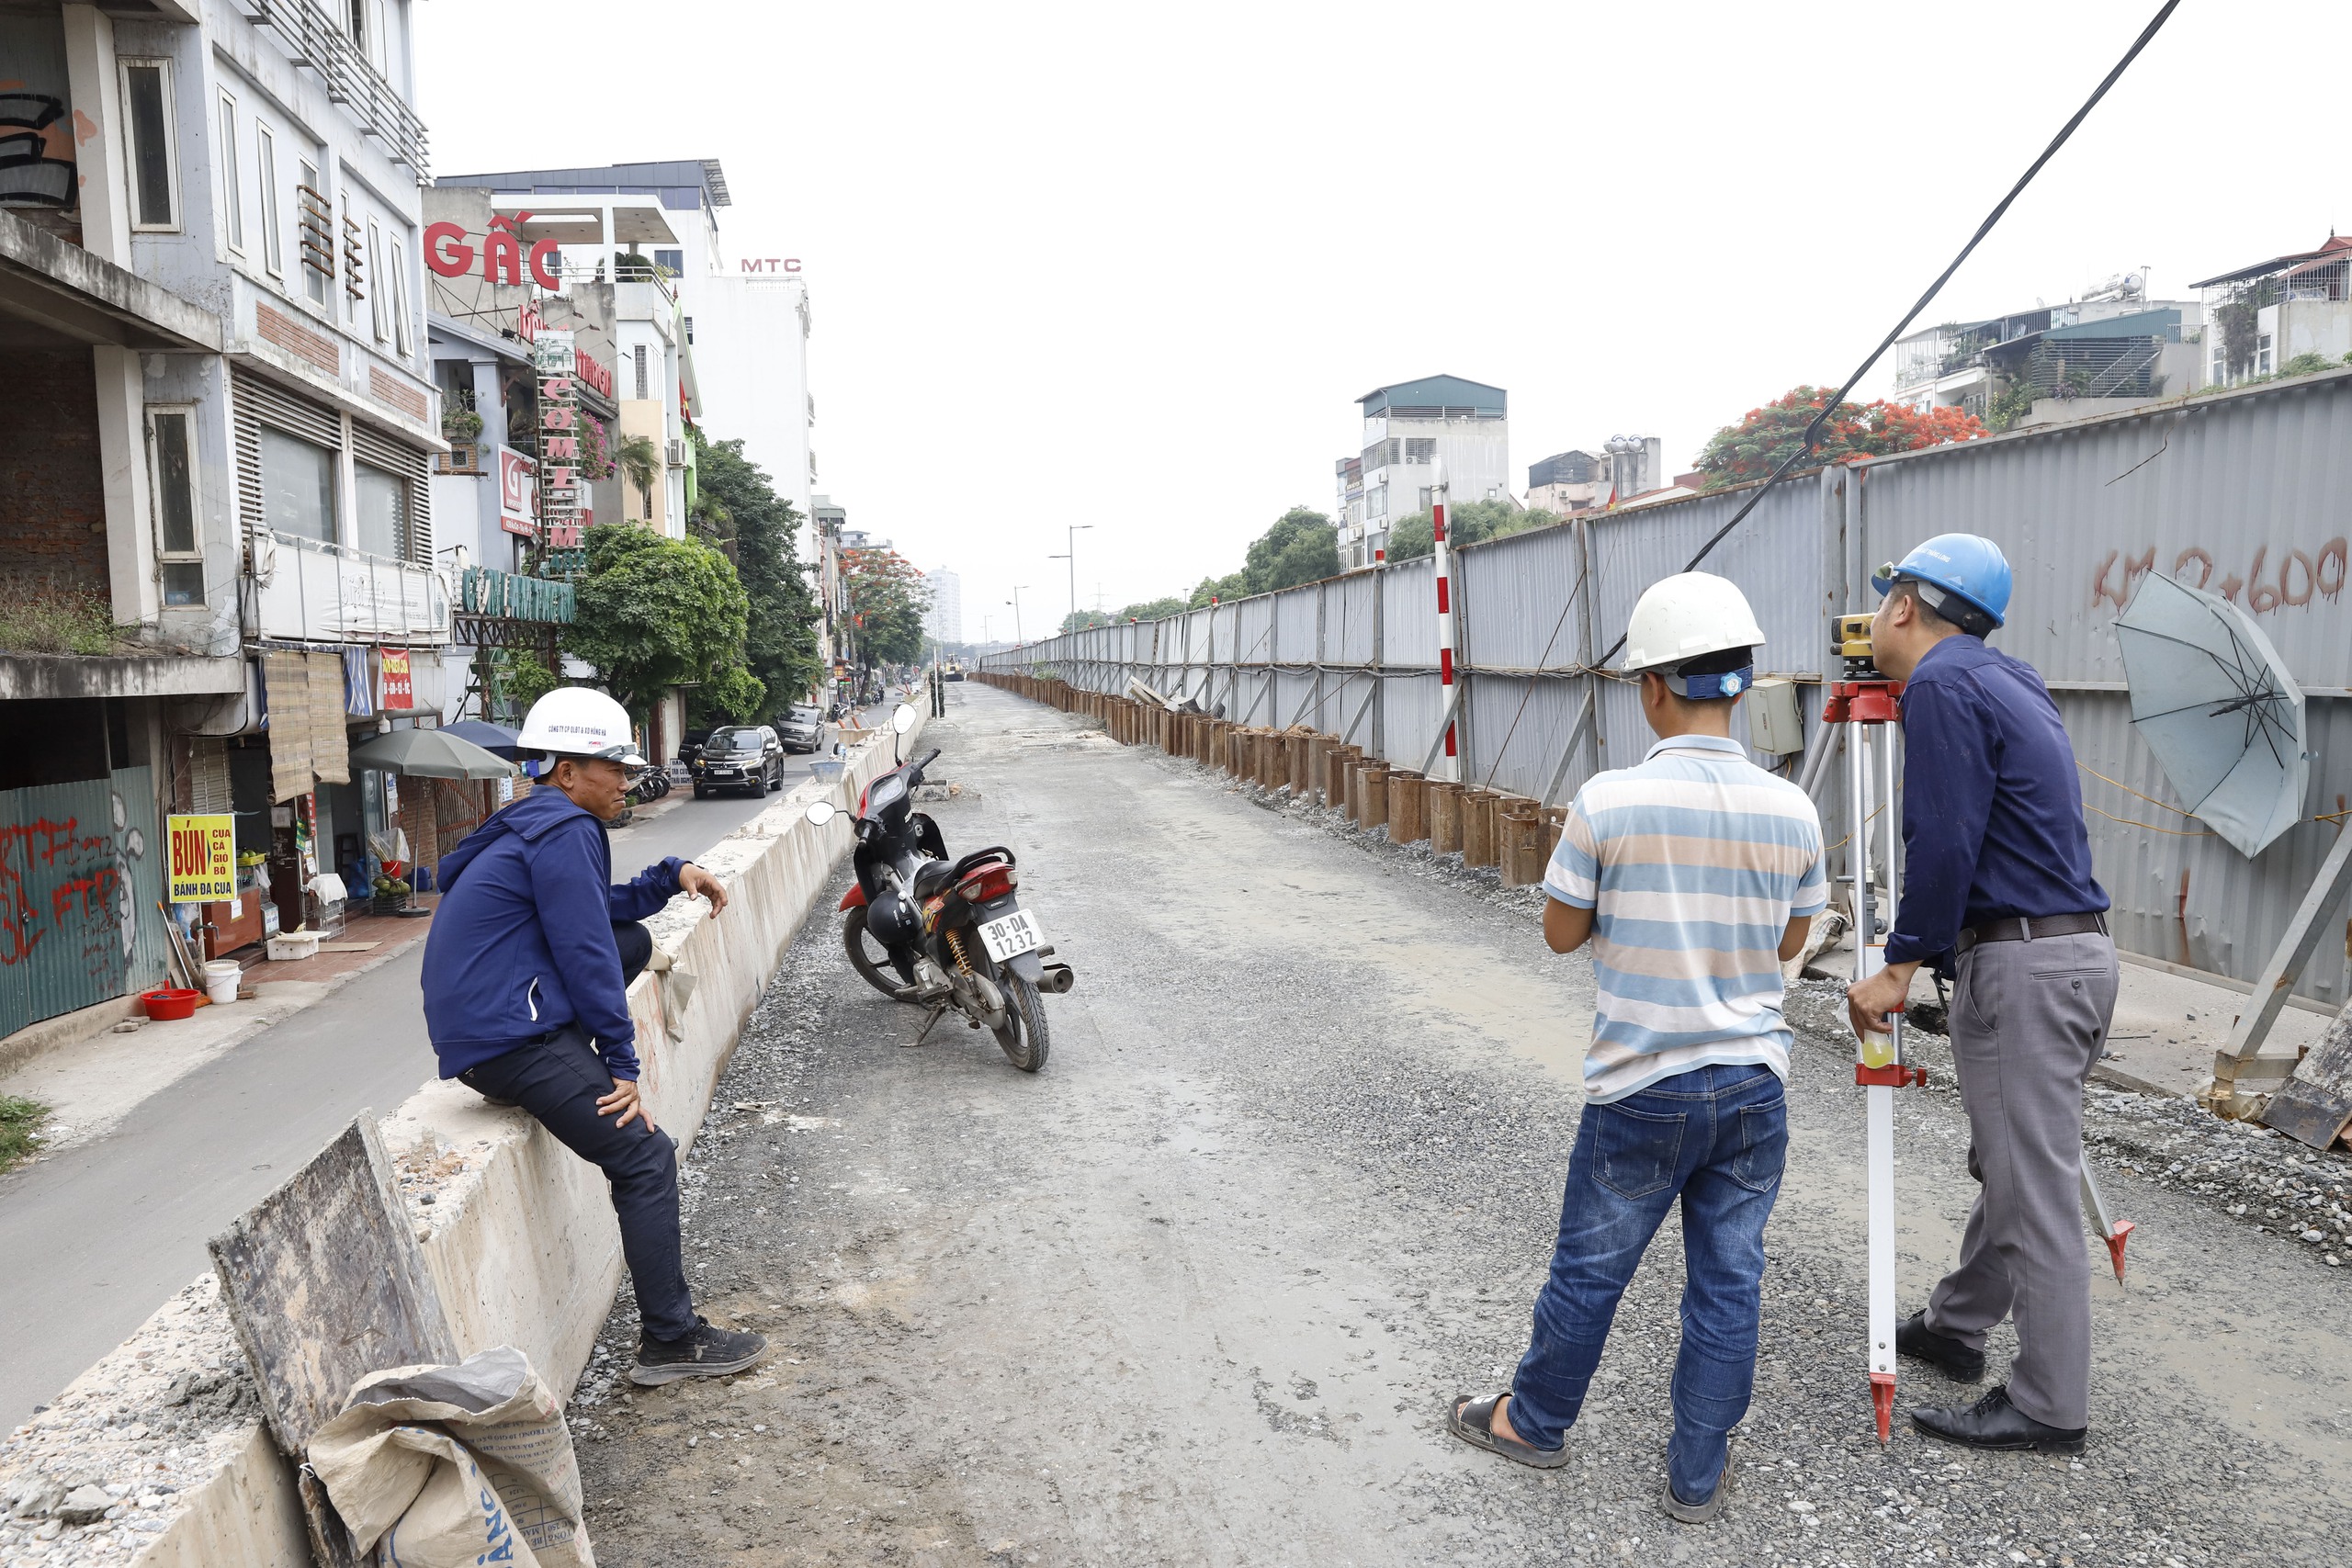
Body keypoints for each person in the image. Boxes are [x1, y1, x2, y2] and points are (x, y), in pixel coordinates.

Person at [1446, 572, 1826, 1523]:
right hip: (1751, 1086)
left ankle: (1533, 1425)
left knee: (1589, 1270)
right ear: (1743, 682)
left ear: (1652, 686)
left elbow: (1561, 934)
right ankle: (1695, 1476)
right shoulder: (1793, 809)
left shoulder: (1609, 800)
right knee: (1728, 1281)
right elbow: (1789, 944)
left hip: (1641, 1085)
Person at [1844, 534, 2116, 1456]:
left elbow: (1945, 838)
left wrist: (1898, 962)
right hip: (2070, 956)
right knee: (2013, 1159)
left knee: (2029, 1182)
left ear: (1906, 609)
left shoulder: (1941, 689)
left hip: (2026, 962)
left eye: (1882, 602)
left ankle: (2047, 1404)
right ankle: (1958, 1326)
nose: (1875, 618)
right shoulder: (2011, 680)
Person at [422, 686, 768, 1387]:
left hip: (493, 1029)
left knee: (634, 940)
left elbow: (594, 911)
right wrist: (619, 1064)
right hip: (508, 1041)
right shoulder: (565, 828)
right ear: (566, 769)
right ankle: (671, 1340)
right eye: (613, 766)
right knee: (645, 1156)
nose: (626, 781)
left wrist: (673, 875)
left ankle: (670, 1332)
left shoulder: (537, 821)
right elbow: (582, 951)